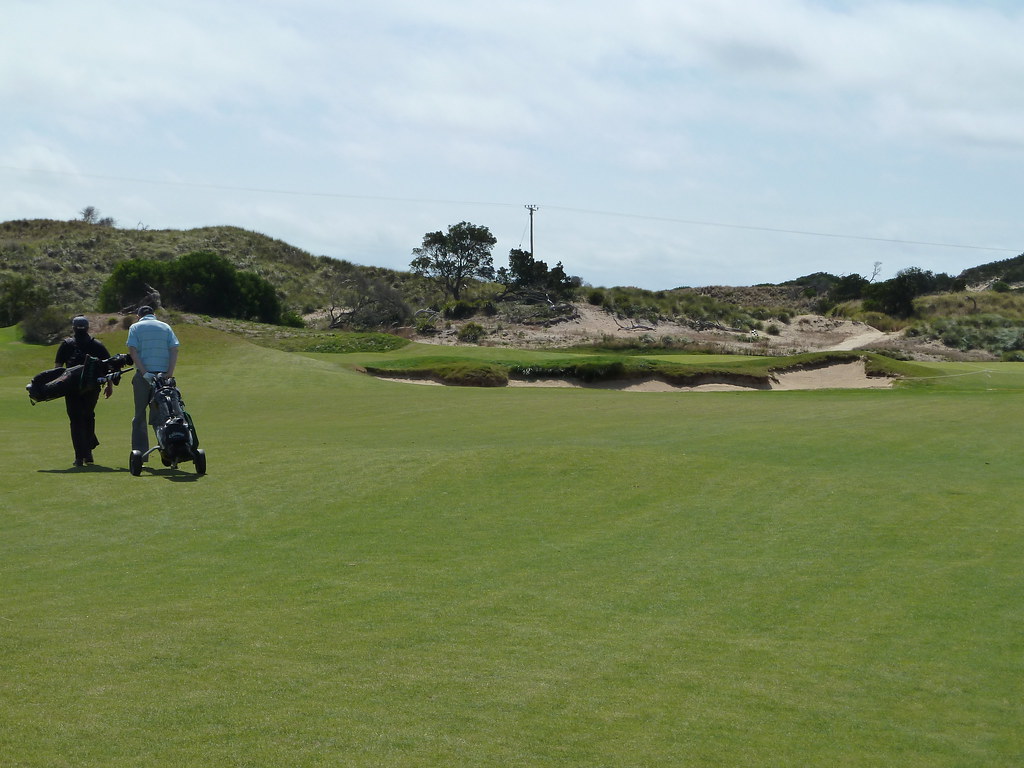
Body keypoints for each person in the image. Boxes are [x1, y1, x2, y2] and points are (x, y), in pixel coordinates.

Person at [55, 315, 111, 467]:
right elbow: (108, 366)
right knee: (88, 416)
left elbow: (58, 368)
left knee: (76, 420)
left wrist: (56, 386)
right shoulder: (97, 345)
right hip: (92, 388)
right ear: (88, 328)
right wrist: (109, 385)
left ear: (73, 328)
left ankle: (79, 456)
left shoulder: (66, 344)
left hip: (71, 388)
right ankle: (88, 453)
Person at [126, 306, 180, 455]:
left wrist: (145, 373)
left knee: (139, 416)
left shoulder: (135, 327)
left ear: (138, 316)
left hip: (143, 377)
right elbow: (174, 349)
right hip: (163, 378)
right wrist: (169, 373)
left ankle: (140, 454)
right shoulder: (165, 327)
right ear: (154, 314)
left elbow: (133, 352)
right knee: (164, 414)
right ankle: (168, 450)